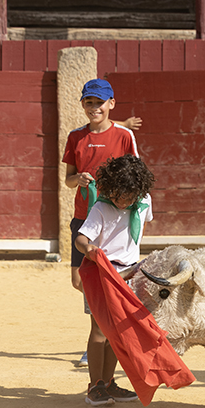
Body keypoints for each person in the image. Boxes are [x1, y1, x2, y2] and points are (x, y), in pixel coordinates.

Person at [63, 78, 140, 368]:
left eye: (99, 102)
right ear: (83, 104)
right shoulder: (75, 137)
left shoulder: (123, 135)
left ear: (111, 104)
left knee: (108, 278)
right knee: (79, 280)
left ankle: (98, 337)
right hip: (84, 216)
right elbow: (68, 179)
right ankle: (101, 331)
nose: (94, 107)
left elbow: (136, 174)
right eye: (89, 102)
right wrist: (78, 179)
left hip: (113, 217)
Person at [74, 154, 155, 406]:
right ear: (110, 188)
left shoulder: (143, 202)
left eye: (129, 196)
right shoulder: (101, 207)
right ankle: (95, 386)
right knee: (99, 331)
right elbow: (81, 238)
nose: (123, 201)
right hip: (102, 273)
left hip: (130, 274)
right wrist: (90, 251)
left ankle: (108, 382)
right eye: (118, 194)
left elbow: (143, 225)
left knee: (118, 332)